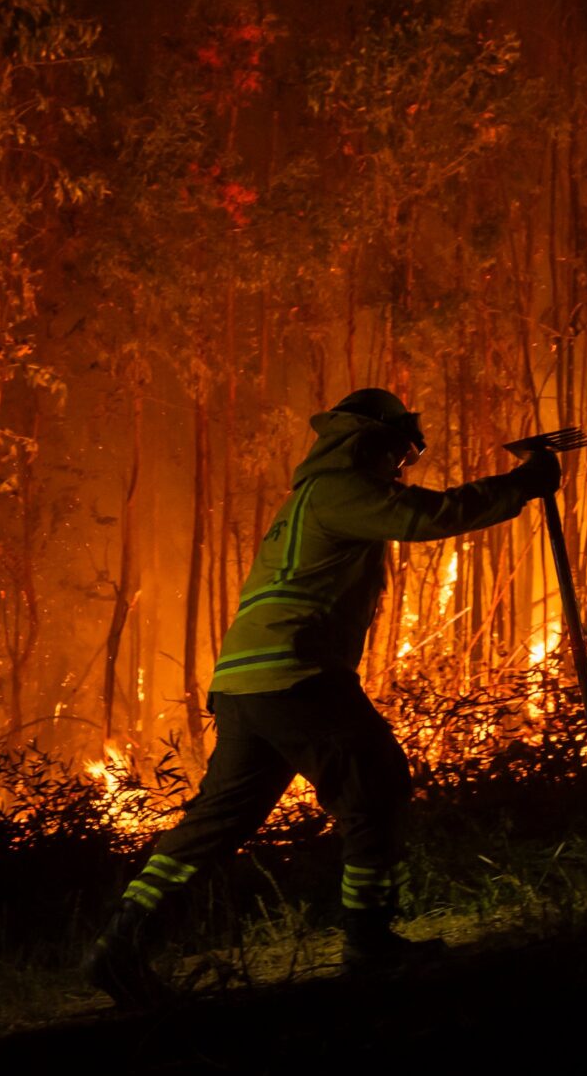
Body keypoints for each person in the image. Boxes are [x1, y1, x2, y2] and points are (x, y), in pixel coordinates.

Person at [82, 389, 558, 1006]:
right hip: (296, 672)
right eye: (398, 453)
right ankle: (368, 942)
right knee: (376, 786)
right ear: (371, 441)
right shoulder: (341, 490)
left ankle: (119, 947)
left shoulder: (305, 499)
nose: (400, 467)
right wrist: (522, 484)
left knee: (216, 825)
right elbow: (429, 516)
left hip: (246, 685)